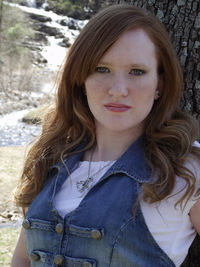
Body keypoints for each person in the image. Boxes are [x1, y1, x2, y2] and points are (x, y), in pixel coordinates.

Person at [12, 4, 200, 267]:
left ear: (160, 84)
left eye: (137, 71)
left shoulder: (185, 168)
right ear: (81, 79)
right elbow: (22, 260)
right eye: (102, 69)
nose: (118, 90)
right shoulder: (54, 156)